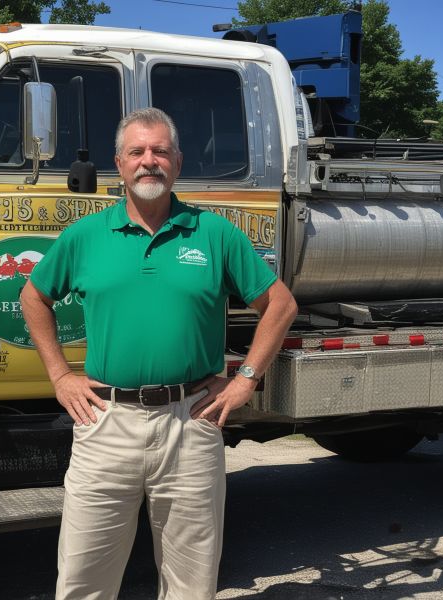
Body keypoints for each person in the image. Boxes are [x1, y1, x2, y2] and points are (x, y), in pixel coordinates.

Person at [20, 107, 298, 600]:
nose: (149, 161)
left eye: (160, 151)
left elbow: (279, 303)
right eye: (137, 152)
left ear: (178, 162)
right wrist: (60, 375)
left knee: (191, 583)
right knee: (83, 581)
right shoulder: (86, 237)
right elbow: (34, 296)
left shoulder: (215, 234)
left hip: (191, 423)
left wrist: (246, 377)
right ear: (119, 164)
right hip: (105, 424)